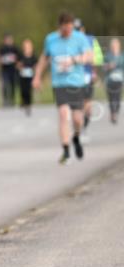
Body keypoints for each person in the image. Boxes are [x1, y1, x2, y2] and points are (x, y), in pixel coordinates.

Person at [33, 13, 92, 164]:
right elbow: (44, 58)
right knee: (63, 114)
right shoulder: (51, 39)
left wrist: (74, 60)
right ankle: (66, 150)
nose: (68, 32)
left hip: (76, 83)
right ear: (60, 27)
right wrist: (37, 76)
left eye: (70, 29)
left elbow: (89, 56)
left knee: (77, 119)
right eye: (65, 29)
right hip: (59, 84)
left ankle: (76, 137)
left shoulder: (80, 38)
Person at [74, 20, 102, 138]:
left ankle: (84, 127)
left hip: (87, 76)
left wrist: (94, 73)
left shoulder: (90, 40)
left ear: (83, 29)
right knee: (77, 105)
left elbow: (97, 58)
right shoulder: (70, 41)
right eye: (75, 30)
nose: (77, 32)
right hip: (75, 77)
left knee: (88, 106)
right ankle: (78, 129)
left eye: (79, 29)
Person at [0, 33, 21, 108]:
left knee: (13, 85)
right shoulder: (2, 48)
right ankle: (5, 100)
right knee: (5, 85)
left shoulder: (15, 48)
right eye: (7, 40)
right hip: (5, 70)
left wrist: (17, 63)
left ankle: (12, 99)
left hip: (13, 70)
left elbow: (19, 59)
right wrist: (2, 60)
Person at [104, 37, 123, 125]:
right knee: (111, 98)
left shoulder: (122, 56)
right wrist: (109, 66)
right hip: (110, 80)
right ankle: (113, 113)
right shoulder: (108, 56)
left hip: (119, 79)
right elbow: (104, 67)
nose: (115, 47)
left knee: (118, 97)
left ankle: (116, 111)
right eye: (113, 45)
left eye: (116, 45)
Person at [17, 38, 38, 116]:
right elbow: (17, 64)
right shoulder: (21, 55)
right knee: (23, 90)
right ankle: (23, 101)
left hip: (30, 76)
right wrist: (20, 66)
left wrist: (35, 72)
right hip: (22, 76)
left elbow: (36, 65)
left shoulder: (33, 56)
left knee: (29, 90)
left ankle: (28, 104)